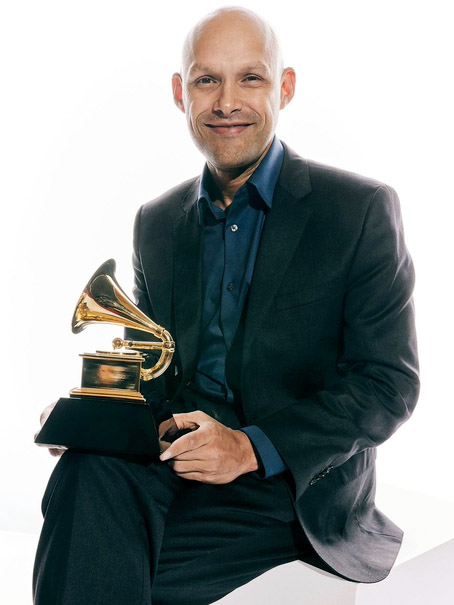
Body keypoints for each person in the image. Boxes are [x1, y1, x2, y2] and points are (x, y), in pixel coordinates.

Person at [33, 6, 419, 604]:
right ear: (179, 93)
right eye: (207, 79)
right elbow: (156, 367)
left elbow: (388, 383)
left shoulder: (359, 209)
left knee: (97, 565)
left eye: (251, 78)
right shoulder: (156, 222)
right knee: (83, 475)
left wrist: (248, 447)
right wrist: (94, 410)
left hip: (288, 484)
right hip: (177, 457)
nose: (226, 102)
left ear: (285, 87)